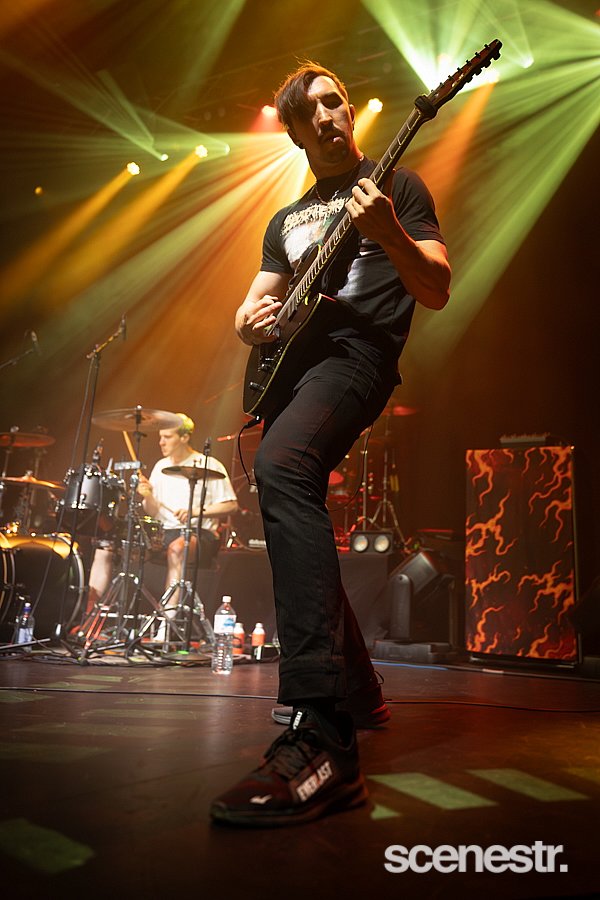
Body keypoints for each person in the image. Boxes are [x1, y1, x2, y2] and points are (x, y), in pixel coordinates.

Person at [209, 63, 450, 827]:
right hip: (297, 369)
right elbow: (256, 303)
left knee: (281, 465)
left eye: (334, 101)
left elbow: (437, 288)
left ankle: (321, 725)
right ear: (292, 133)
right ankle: (362, 688)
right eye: (309, 111)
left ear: (350, 110)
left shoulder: (397, 187)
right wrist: (248, 321)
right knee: (287, 489)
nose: (327, 116)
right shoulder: (285, 221)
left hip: (359, 356)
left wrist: (389, 235)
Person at [86, 414, 237, 637]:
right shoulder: (161, 466)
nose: (161, 442)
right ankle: (90, 621)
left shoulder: (209, 464)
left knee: (177, 549)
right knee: (106, 546)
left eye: (167, 437)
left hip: (199, 535)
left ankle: (167, 626)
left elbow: (231, 505)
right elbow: (153, 511)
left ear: (184, 437)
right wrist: (147, 495)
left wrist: (196, 511)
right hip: (162, 532)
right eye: (160, 437)